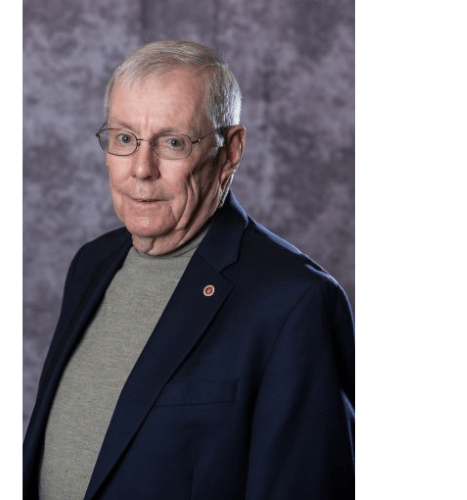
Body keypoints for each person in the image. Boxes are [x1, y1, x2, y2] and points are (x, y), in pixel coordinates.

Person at [24, 39, 355, 499]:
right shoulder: (91, 265)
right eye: (124, 138)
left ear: (230, 151)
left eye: (173, 142)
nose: (141, 169)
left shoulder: (294, 303)